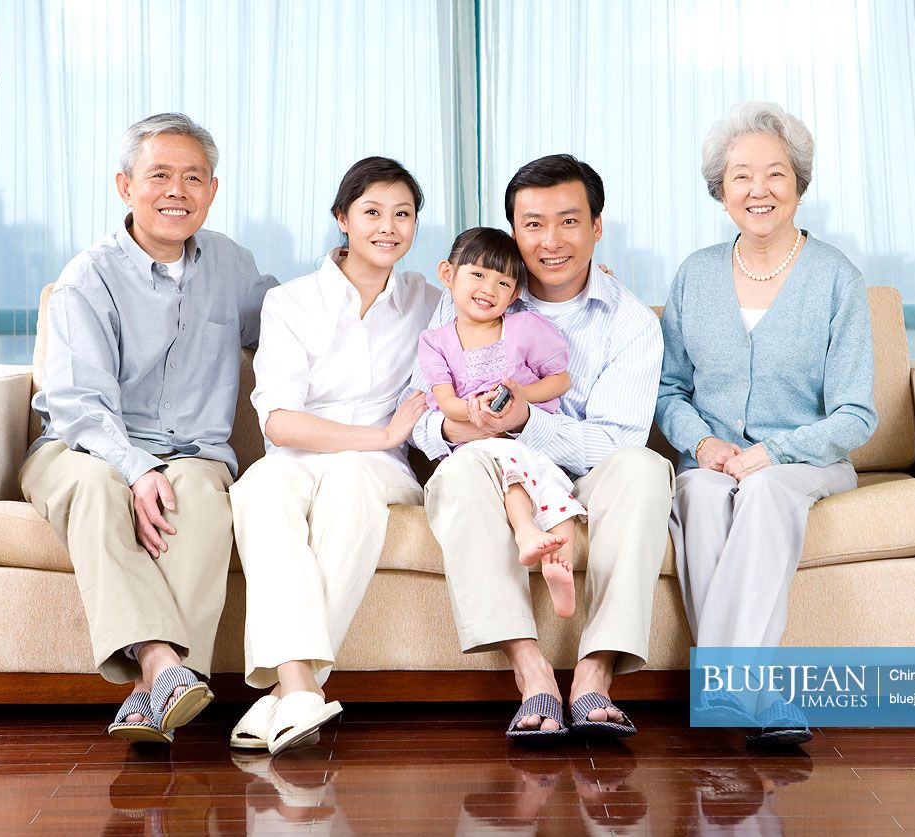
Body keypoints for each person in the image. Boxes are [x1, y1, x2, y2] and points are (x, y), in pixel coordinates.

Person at [21, 113, 276, 744]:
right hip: (83, 447)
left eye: (193, 178)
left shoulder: (232, 264)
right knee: (97, 490)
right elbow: (77, 404)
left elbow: (287, 325)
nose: (176, 191)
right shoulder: (90, 275)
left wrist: (348, 271)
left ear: (212, 191)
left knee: (205, 503)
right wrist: (137, 469)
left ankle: (149, 695)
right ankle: (166, 666)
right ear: (124, 185)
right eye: (159, 175)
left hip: (192, 451)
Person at [412, 154, 673, 740]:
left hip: (588, 469)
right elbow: (422, 416)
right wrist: (465, 429)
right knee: (457, 474)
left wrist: (526, 421)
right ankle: (531, 675)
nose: (550, 241)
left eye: (568, 221)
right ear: (512, 230)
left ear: (597, 226)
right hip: (493, 469)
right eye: (532, 223)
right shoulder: (475, 293)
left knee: (646, 469)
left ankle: (594, 674)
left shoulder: (631, 322)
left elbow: (620, 442)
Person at [656, 101, 877, 746]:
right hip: (713, 458)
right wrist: (703, 442)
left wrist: (772, 452)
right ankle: (754, 694)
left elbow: (856, 415)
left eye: (776, 174)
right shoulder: (695, 276)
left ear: (799, 186)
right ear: (721, 191)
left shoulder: (837, 278)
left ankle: (729, 687)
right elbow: (670, 390)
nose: (760, 190)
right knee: (696, 491)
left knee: (763, 488)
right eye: (742, 176)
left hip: (809, 464)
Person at [228, 157, 440, 755]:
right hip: (303, 457)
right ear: (343, 218)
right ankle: (298, 691)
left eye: (403, 214)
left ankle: (290, 689)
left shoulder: (428, 300)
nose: (388, 227)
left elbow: (498, 304)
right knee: (258, 487)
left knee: (350, 477)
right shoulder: (291, 303)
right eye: (372, 212)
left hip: (380, 471)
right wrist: (378, 433)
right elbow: (280, 422)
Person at [417, 226, 583, 618]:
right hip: (476, 449)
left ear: (515, 294)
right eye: (477, 274)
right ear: (447, 274)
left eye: (503, 282)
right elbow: (445, 402)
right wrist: (474, 411)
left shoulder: (524, 328)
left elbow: (560, 380)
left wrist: (522, 398)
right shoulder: (435, 341)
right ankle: (526, 531)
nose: (488, 288)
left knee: (558, 492)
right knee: (503, 460)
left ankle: (560, 568)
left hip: (532, 440)